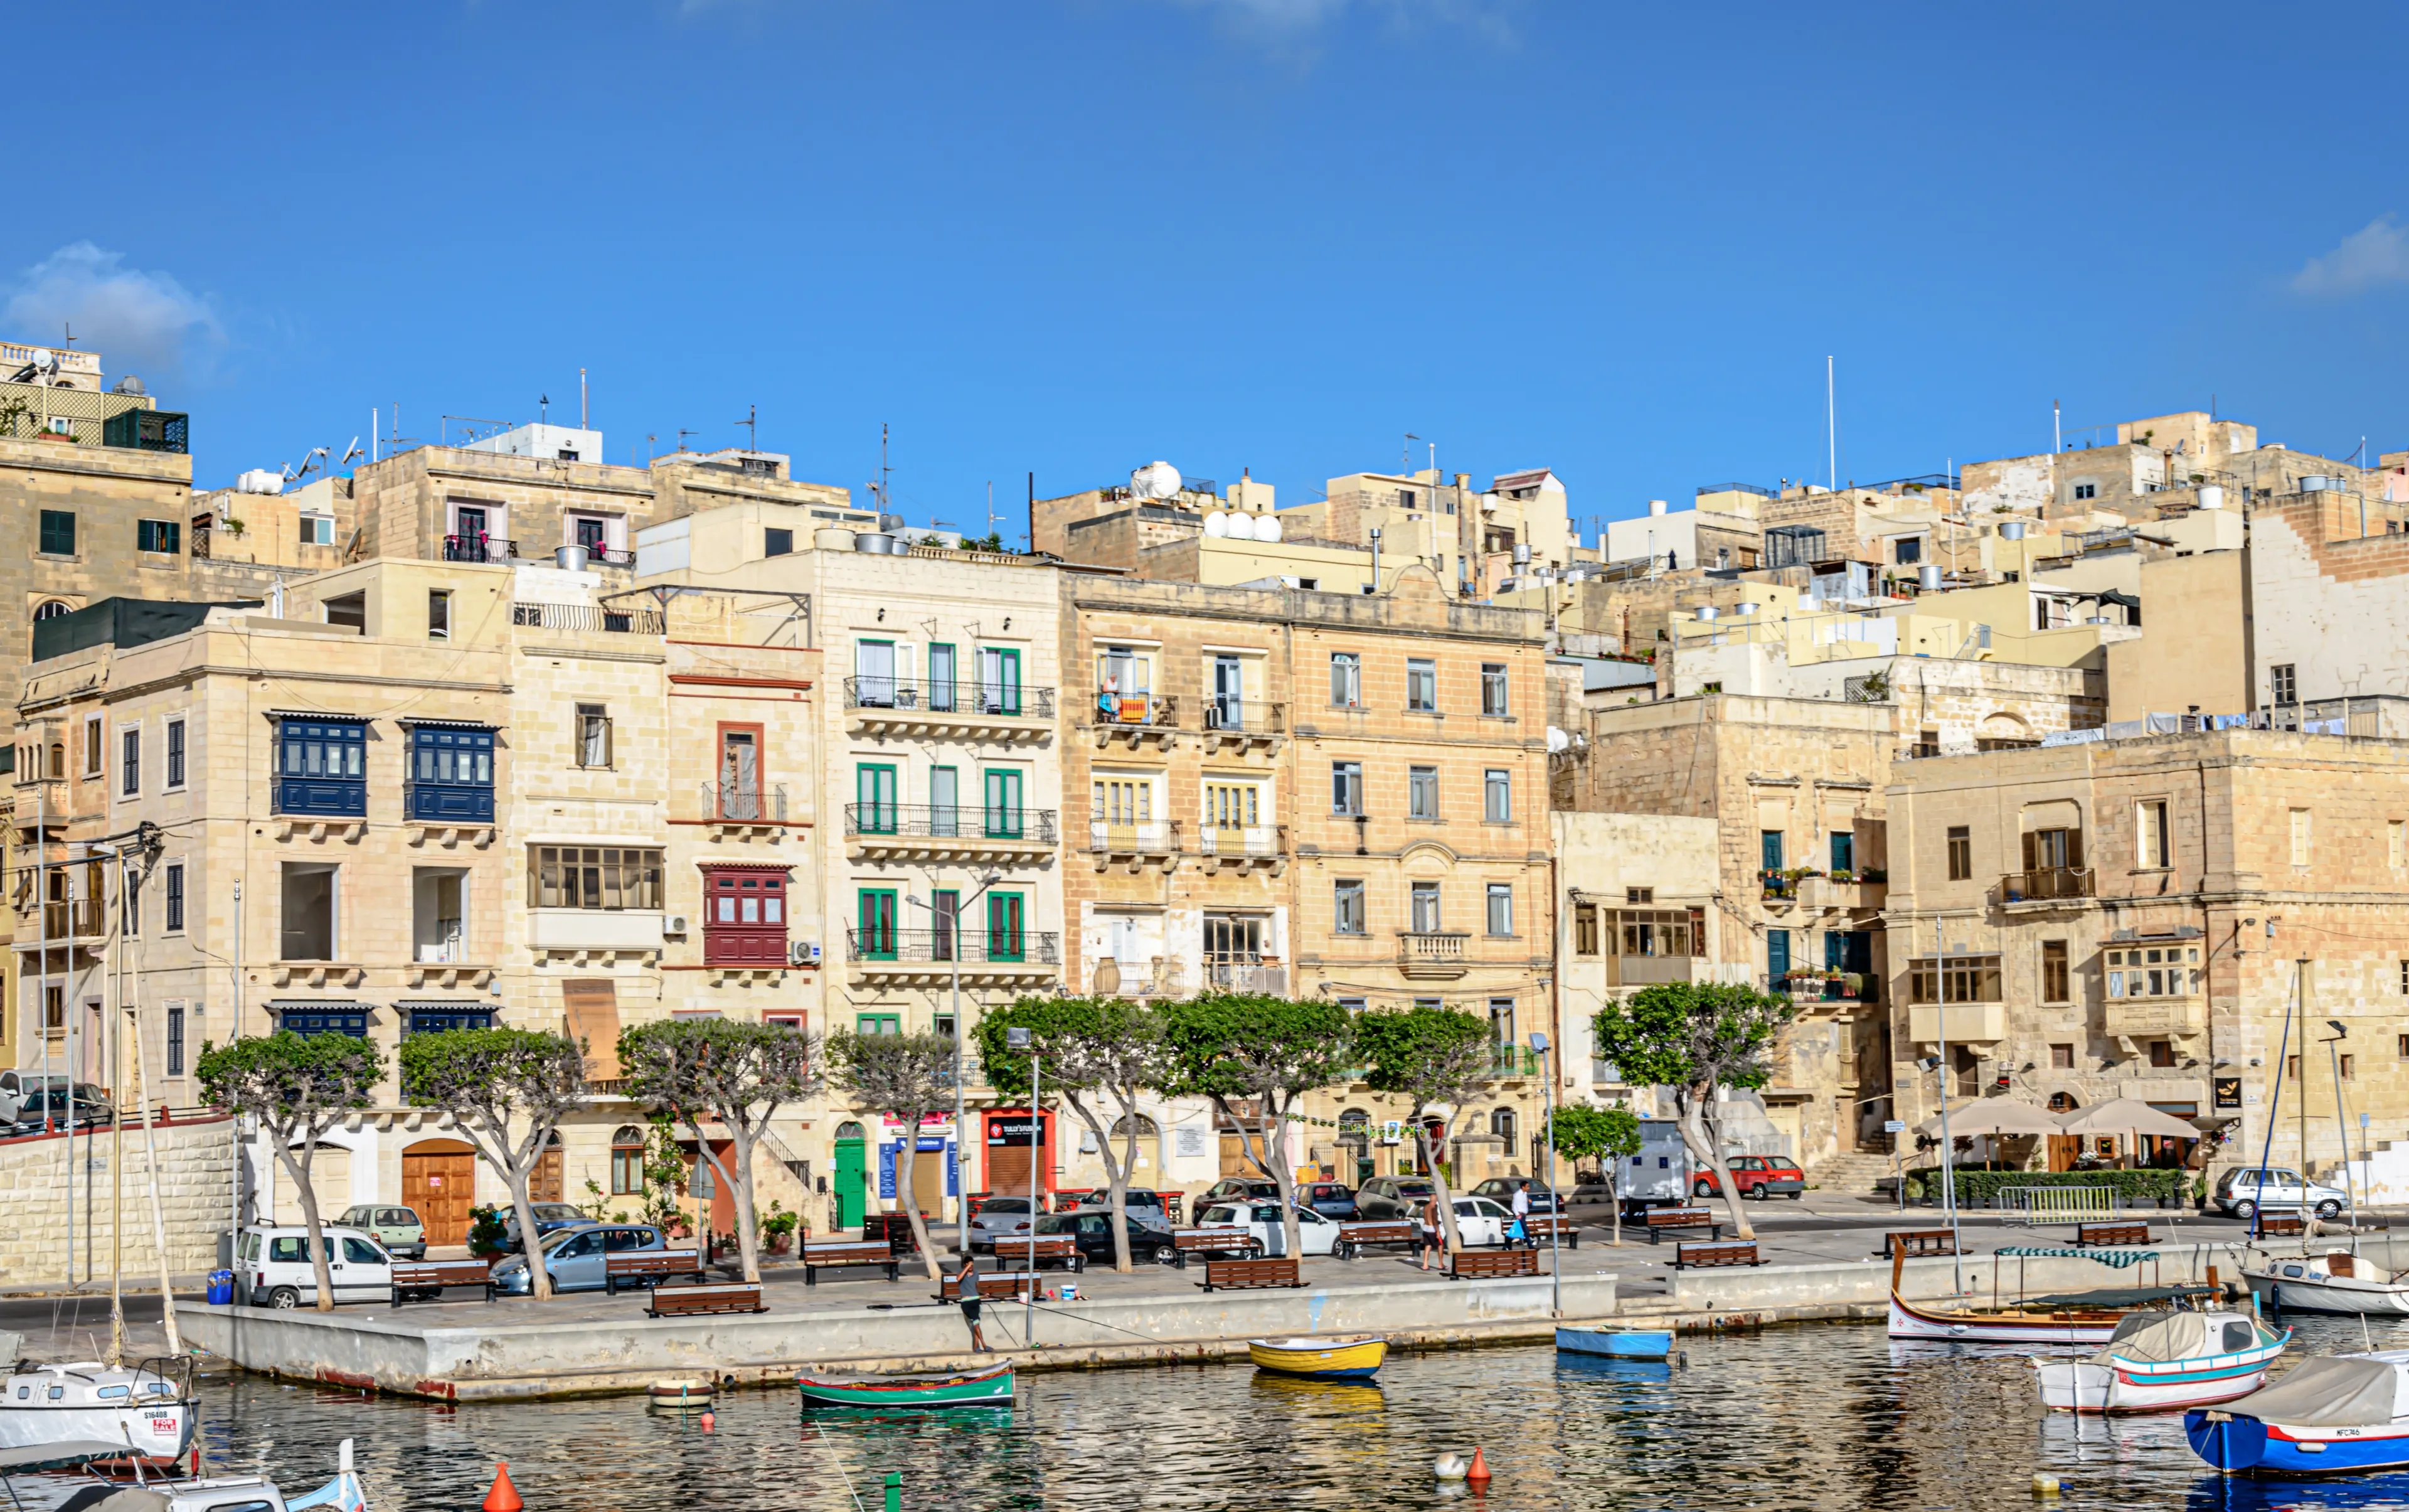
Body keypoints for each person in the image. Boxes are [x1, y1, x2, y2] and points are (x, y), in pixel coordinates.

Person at [955, 1256, 988, 1352]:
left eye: (972, 1264)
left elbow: (977, 1287)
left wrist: (984, 1293)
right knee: (976, 1324)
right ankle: (984, 1345)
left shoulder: (976, 1274)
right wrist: (966, 1269)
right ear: (965, 1265)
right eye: (969, 1264)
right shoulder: (962, 1273)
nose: (971, 1266)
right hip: (966, 1302)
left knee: (976, 1324)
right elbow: (958, 1279)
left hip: (976, 1300)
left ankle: (976, 1347)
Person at [1420, 1191, 1444, 1271]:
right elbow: (1434, 1220)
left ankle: (1425, 1265)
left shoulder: (1426, 1207)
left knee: (1428, 1246)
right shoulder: (1433, 1208)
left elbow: (1425, 1218)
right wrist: (1438, 1232)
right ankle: (1441, 1264)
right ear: (1436, 1200)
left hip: (1425, 1228)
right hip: (1432, 1229)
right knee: (1440, 1245)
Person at [1509, 1181, 1531, 1248]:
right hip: (1520, 1215)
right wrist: (1517, 1214)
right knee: (1526, 1231)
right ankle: (1531, 1247)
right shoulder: (1517, 1195)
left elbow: (1522, 1201)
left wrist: (1528, 1200)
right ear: (1523, 1187)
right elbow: (1514, 1206)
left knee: (1517, 1231)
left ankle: (1507, 1244)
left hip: (1524, 1215)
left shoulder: (1525, 1194)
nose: (1529, 1188)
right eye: (1527, 1187)